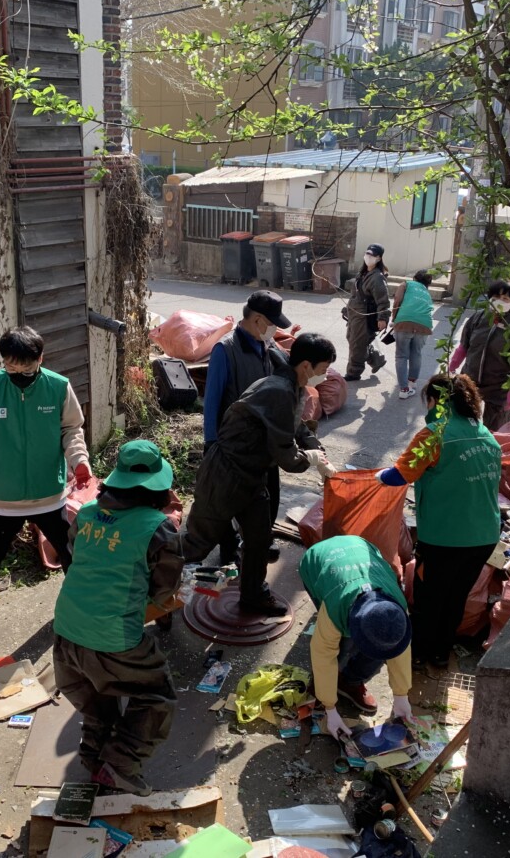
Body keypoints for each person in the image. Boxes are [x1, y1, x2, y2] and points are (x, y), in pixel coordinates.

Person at [52, 440, 183, 797]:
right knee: (156, 697)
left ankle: (94, 759)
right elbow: (163, 593)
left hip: (64, 635)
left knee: (100, 699)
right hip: (114, 640)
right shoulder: (159, 528)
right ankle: (121, 765)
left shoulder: (89, 512)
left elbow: (83, 559)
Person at [0, 326, 90, 648]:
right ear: (4, 361)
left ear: (40, 358)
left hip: (49, 495)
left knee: (72, 556)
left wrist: (79, 460)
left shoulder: (58, 387)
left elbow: (72, 429)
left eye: (26, 366)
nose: (19, 372)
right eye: (11, 366)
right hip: (0, 499)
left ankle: (81, 611)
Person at [184, 333, 339, 616]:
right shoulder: (278, 389)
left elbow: (295, 424)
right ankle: (151, 588)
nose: (325, 375)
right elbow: (287, 457)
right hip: (224, 476)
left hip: (251, 477)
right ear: (306, 365)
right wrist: (312, 459)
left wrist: (317, 450)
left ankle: (253, 595)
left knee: (258, 539)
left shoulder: (291, 384)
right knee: (196, 543)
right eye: (323, 369)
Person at [376, 374, 502, 673]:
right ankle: (441, 654)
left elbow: (398, 476)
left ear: (435, 401)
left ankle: (418, 654)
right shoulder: (486, 434)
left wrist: (372, 477)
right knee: (456, 597)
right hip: (483, 536)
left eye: (428, 401)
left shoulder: (434, 435)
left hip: (445, 538)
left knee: (429, 598)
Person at [203, 289, 291, 565]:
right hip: (235, 445)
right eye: (272, 323)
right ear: (258, 320)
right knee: (232, 500)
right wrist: (211, 443)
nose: (275, 329)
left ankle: (260, 541)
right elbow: (212, 401)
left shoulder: (269, 347)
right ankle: (230, 549)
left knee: (268, 495)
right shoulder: (225, 350)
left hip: (265, 443)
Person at [299, 536, 413, 740]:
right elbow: (323, 655)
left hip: (360, 546)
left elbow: (400, 651)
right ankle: (322, 688)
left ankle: (349, 681)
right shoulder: (335, 609)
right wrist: (330, 707)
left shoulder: (397, 610)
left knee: (382, 645)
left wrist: (401, 695)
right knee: (340, 648)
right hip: (319, 561)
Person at [448, 280, 510, 430]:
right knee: (463, 424)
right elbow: (464, 346)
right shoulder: (478, 318)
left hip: (499, 387)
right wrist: (453, 366)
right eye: (496, 297)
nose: (500, 301)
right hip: (470, 380)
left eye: (505, 299)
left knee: (494, 431)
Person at [343, 243, 391, 381]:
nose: (368, 257)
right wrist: (348, 309)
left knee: (357, 344)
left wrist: (383, 318)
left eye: (372, 255)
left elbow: (383, 300)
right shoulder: (363, 273)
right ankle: (375, 359)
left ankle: (354, 372)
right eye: (367, 254)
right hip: (354, 313)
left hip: (364, 316)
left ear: (379, 258)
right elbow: (355, 294)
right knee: (352, 339)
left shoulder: (377, 277)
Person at [389, 269, 435, 400]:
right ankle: (412, 383)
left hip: (404, 322)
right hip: (424, 325)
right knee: (416, 353)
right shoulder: (426, 292)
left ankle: (404, 389)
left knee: (401, 356)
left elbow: (397, 300)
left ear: (415, 278)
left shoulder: (406, 284)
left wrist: (394, 320)